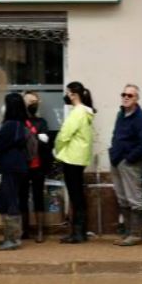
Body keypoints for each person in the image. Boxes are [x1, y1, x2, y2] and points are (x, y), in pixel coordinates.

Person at [109, 84, 142, 247]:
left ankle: (135, 234)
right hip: (116, 160)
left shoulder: (141, 118)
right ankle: (127, 233)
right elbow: (116, 135)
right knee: (122, 198)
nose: (126, 97)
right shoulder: (121, 114)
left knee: (134, 198)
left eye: (130, 95)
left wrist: (129, 158)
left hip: (129, 163)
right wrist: (114, 152)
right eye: (124, 94)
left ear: (136, 99)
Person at [54, 82, 96, 244]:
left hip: (72, 157)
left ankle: (77, 233)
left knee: (75, 195)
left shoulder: (77, 112)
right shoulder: (85, 112)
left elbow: (64, 134)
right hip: (80, 157)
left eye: (67, 92)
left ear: (73, 94)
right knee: (78, 194)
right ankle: (80, 231)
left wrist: (57, 148)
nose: (66, 95)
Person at [0, 93, 31, 251]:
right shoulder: (21, 124)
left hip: (11, 167)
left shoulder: (10, 125)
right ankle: (9, 236)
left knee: (9, 200)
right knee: (3, 200)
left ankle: (13, 238)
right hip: (17, 166)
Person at [20, 91, 55, 243]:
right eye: (29, 102)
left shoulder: (42, 122)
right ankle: (24, 229)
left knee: (38, 196)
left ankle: (40, 231)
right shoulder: (19, 122)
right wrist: (36, 138)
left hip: (37, 165)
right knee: (22, 197)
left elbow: (46, 143)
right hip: (22, 164)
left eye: (34, 101)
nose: (31, 104)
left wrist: (34, 139)